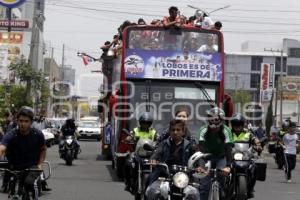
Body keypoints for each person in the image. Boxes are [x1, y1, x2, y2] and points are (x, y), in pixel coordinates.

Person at [0, 106, 51, 194]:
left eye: (26, 121)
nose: (23, 124)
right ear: (17, 121)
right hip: (14, 167)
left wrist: (40, 164)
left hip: (32, 167)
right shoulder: (11, 134)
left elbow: (43, 150)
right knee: (11, 190)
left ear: (31, 122)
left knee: (29, 184)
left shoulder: (38, 134)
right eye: (21, 121)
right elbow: (2, 147)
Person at [146, 119, 199, 200]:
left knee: (194, 194)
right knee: (152, 191)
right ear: (169, 131)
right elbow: (156, 153)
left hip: (184, 179)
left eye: (178, 130)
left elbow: (197, 156)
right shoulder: (164, 144)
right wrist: (153, 160)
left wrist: (200, 166)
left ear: (183, 132)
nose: (175, 132)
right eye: (173, 130)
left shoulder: (189, 145)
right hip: (164, 177)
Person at [197, 107, 233, 200]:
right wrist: (200, 165)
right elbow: (199, 149)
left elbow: (228, 149)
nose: (212, 121)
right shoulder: (203, 130)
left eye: (215, 119)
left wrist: (228, 166)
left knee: (222, 183)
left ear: (221, 120)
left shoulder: (226, 130)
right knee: (204, 185)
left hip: (221, 157)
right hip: (206, 157)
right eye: (210, 118)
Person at [230, 113, 262, 198]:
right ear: (232, 125)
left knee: (255, 167)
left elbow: (255, 140)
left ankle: (250, 188)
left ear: (243, 124)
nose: (237, 126)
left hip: (245, 157)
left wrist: (258, 145)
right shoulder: (228, 133)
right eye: (235, 124)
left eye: (239, 124)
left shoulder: (248, 133)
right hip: (231, 157)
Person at [124, 112, 157, 192]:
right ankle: (128, 183)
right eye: (143, 122)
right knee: (127, 163)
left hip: (149, 154)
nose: (145, 124)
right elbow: (129, 136)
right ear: (140, 123)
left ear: (150, 124)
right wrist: (128, 138)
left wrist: (157, 143)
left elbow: (157, 140)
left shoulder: (153, 132)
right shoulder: (135, 130)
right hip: (137, 153)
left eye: (147, 123)